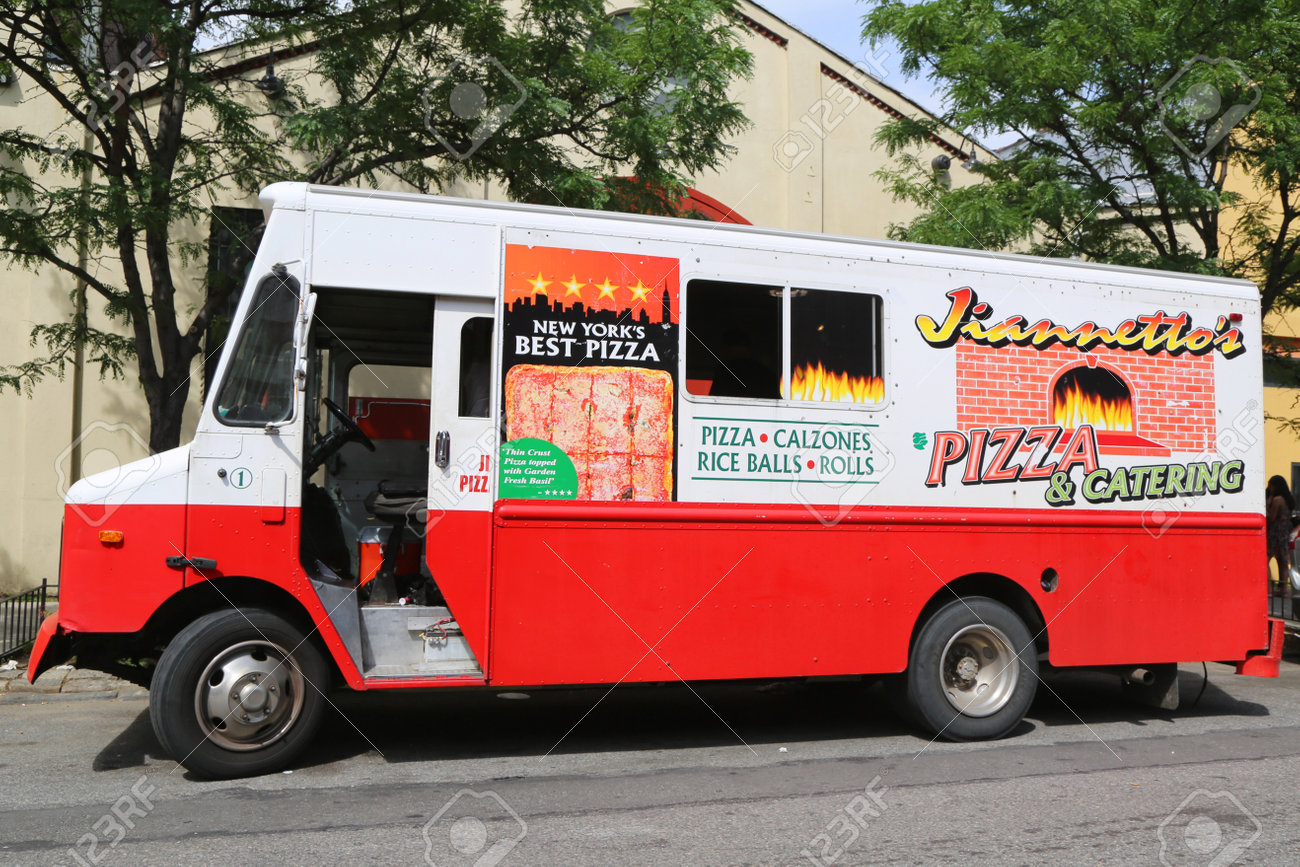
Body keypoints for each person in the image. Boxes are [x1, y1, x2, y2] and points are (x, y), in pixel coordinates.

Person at [1265, 475, 1294, 597]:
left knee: (1265, 559)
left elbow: (1271, 517)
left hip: (1276, 532)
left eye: (1271, 485)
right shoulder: (1288, 499)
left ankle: (1269, 589)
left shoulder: (1277, 500)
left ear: (1275, 486)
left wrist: (1266, 507)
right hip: (1285, 531)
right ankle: (1284, 590)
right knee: (1283, 561)